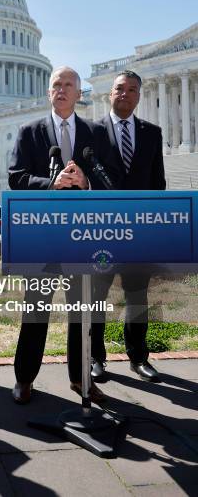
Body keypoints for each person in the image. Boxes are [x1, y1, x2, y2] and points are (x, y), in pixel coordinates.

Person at [8, 66, 118, 404]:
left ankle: (80, 377)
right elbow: (16, 178)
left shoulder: (95, 132)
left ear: (79, 93)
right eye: (56, 84)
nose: (61, 89)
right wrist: (51, 183)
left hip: (83, 237)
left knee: (81, 312)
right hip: (42, 237)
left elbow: (110, 179)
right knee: (36, 310)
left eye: (68, 84)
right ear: (48, 92)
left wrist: (86, 182)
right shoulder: (30, 132)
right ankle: (24, 379)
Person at [91, 70, 165, 383]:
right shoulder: (91, 132)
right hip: (101, 231)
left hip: (137, 231)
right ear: (110, 93)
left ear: (139, 96)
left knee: (138, 297)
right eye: (120, 88)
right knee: (96, 295)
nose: (125, 94)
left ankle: (138, 357)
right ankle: (95, 357)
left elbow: (157, 182)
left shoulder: (152, 132)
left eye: (132, 89)